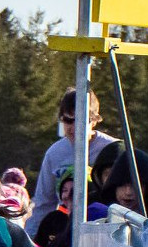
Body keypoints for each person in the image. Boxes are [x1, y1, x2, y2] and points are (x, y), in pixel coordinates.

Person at [29, 89, 119, 227]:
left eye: (82, 121)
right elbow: (43, 204)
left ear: (94, 121)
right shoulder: (54, 154)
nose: (74, 127)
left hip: (106, 225)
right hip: (67, 228)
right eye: (68, 121)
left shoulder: (113, 150)